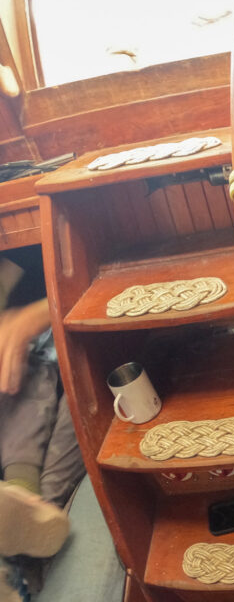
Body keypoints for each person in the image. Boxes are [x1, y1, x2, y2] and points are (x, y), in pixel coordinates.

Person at [0, 247, 85, 601]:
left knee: (67, 392)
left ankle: (27, 509)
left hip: (52, 352)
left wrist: (34, 316)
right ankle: (26, 516)